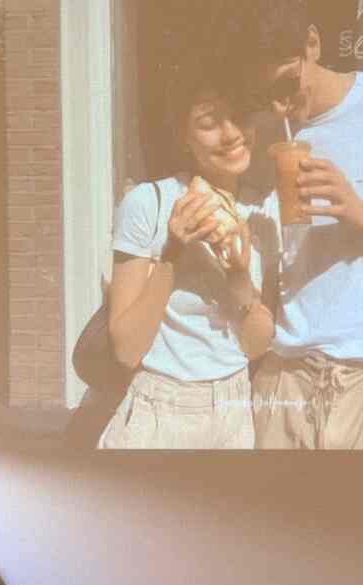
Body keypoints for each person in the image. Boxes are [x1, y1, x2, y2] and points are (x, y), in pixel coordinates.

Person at [213, 0, 363, 450]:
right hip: (282, 381)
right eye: (263, 94)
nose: (278, 104)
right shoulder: (257, 134)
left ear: (312, 44)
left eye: (286, 84)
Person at [98, 74, 279, 450]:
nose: (230, 134)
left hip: (236, 411)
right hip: (160, 410)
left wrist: (239, 276)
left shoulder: (264, 212)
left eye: (238, 116)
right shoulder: (150, 203)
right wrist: (173, 256)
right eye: (209, 123)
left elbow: (256, 346)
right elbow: (126, 350)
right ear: (184, 136)